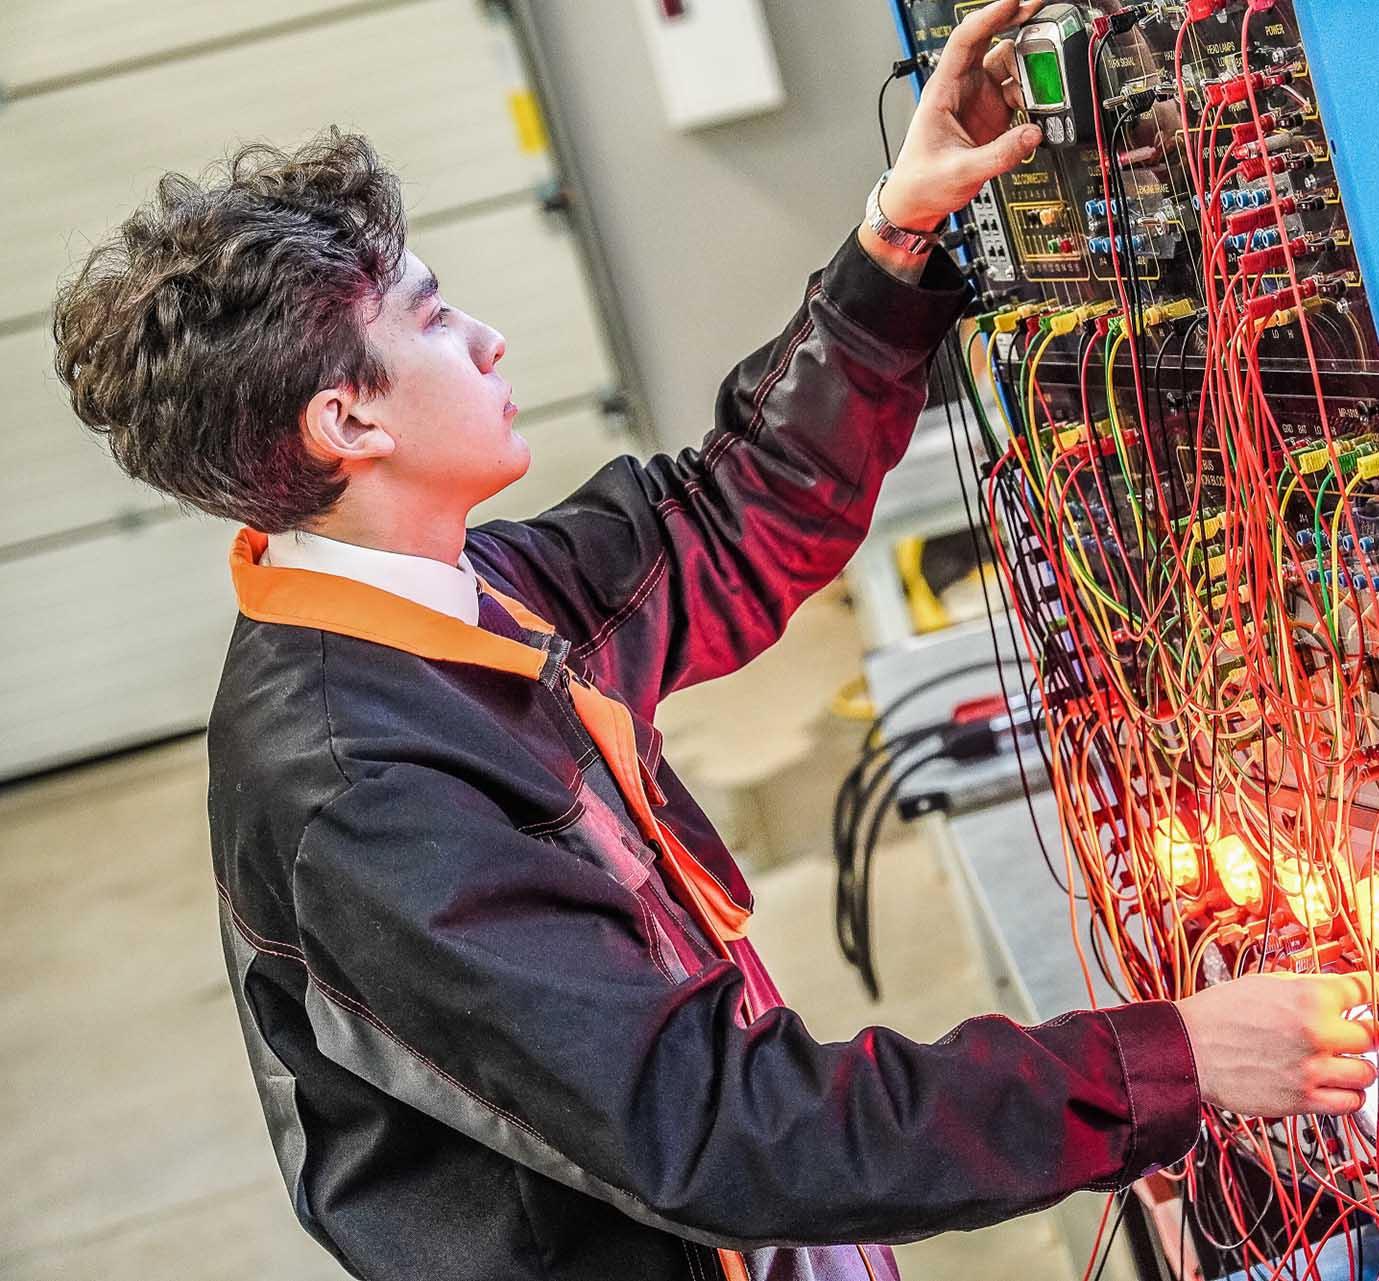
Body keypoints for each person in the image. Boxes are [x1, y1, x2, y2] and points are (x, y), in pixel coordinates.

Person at [50, 2, 1379, 1277]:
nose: (491, 339)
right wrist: (1165, 1064)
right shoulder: (364, 795)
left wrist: (897, 234)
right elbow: (723, 1131)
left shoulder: (445, 599)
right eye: (436, 318)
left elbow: (726, 517)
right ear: (349, 423)